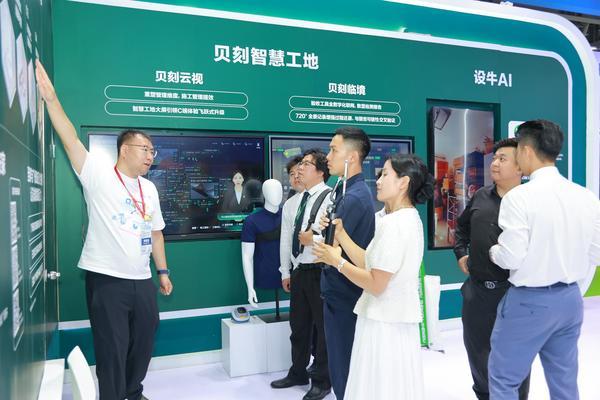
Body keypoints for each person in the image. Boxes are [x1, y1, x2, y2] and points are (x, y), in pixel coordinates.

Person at [35, 60, 173, 400]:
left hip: (142, 279)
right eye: (145, 149)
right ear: (125, 149)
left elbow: (156, 232)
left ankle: (132, 391)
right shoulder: (97, 173)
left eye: (153, 151)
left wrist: (163, 271)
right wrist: (51, 99)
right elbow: (70, 139)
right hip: (107, 278)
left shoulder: (149, 188)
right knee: (112, 346)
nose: (150, 156)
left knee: (144, 339)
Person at [488, 120, 600, 399]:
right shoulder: (586, 196)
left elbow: (511, 256)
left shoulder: (519, 198)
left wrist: (493, 252)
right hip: (570, 299)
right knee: (564, 381)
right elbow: (596, 252)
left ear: (526, 150)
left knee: (504, 380)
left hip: (528, 302)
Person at [314, 154, 433, 400]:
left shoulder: (395, 224)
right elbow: (371, 262)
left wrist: (337, 261)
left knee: (378, 388)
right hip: (388, 320)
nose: (378, 180)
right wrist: (341, 234)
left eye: (385, 174)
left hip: (384, 325)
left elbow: (376, 284)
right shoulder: (401, 218)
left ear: (404, 182)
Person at [453, 139, 530, 400]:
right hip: (477, 293)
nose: (494, 163)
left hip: (514, 292)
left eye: (502, 159)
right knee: (477, 354)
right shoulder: (480, 196)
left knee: (515, 358)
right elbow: (461, 228)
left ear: (520, 167)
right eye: (494, 158)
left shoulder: (530, 203)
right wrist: (461, 253)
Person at [320, 127, 376, 400]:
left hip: (344, 294)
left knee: (344, 367)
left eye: (333, 150)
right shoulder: (344, 190)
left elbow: (336, 249)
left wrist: (327, 239)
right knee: (341, 364)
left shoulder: (354, 197)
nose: (328, 156)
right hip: (340, 292)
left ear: (351, 157)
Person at [272, 149, 332, 400]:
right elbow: (286, 239)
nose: (299, 169)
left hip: (321, 270)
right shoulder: (293, 203)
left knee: (323, 331)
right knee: (298, 327)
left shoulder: (331, 198)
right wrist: (285, 270)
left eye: (306, 164)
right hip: (299, 271)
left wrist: (313, 239)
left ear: (320, 172)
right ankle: (297, 372)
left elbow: (334, 237)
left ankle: (322, 381)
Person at [241, 179, 283, 307]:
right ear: (264, 193)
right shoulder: (252, 221)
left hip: (290, 277)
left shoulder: (289, 215)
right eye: (271, 191)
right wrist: (250, 287)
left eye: (279, 190)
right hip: (265, 274)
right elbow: (247, 257)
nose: (276, 194)